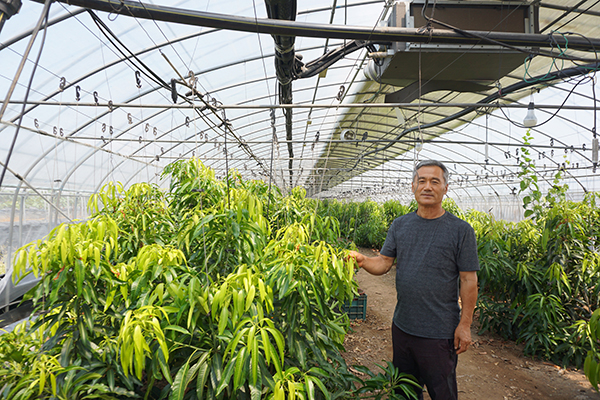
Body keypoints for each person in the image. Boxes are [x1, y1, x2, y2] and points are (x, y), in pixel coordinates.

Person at [348, 160, 479, 400]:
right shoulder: (401, 225)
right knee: (404, 391)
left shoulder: (461, 230)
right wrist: (362, 260)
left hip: (440, 332)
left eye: (435, 181)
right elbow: (385, 262)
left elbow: (468, 279)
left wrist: (465, 324)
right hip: (403, 327)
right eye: (422, 181)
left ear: (445, 188)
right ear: (413, 187)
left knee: (443, 392)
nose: (427, 186)